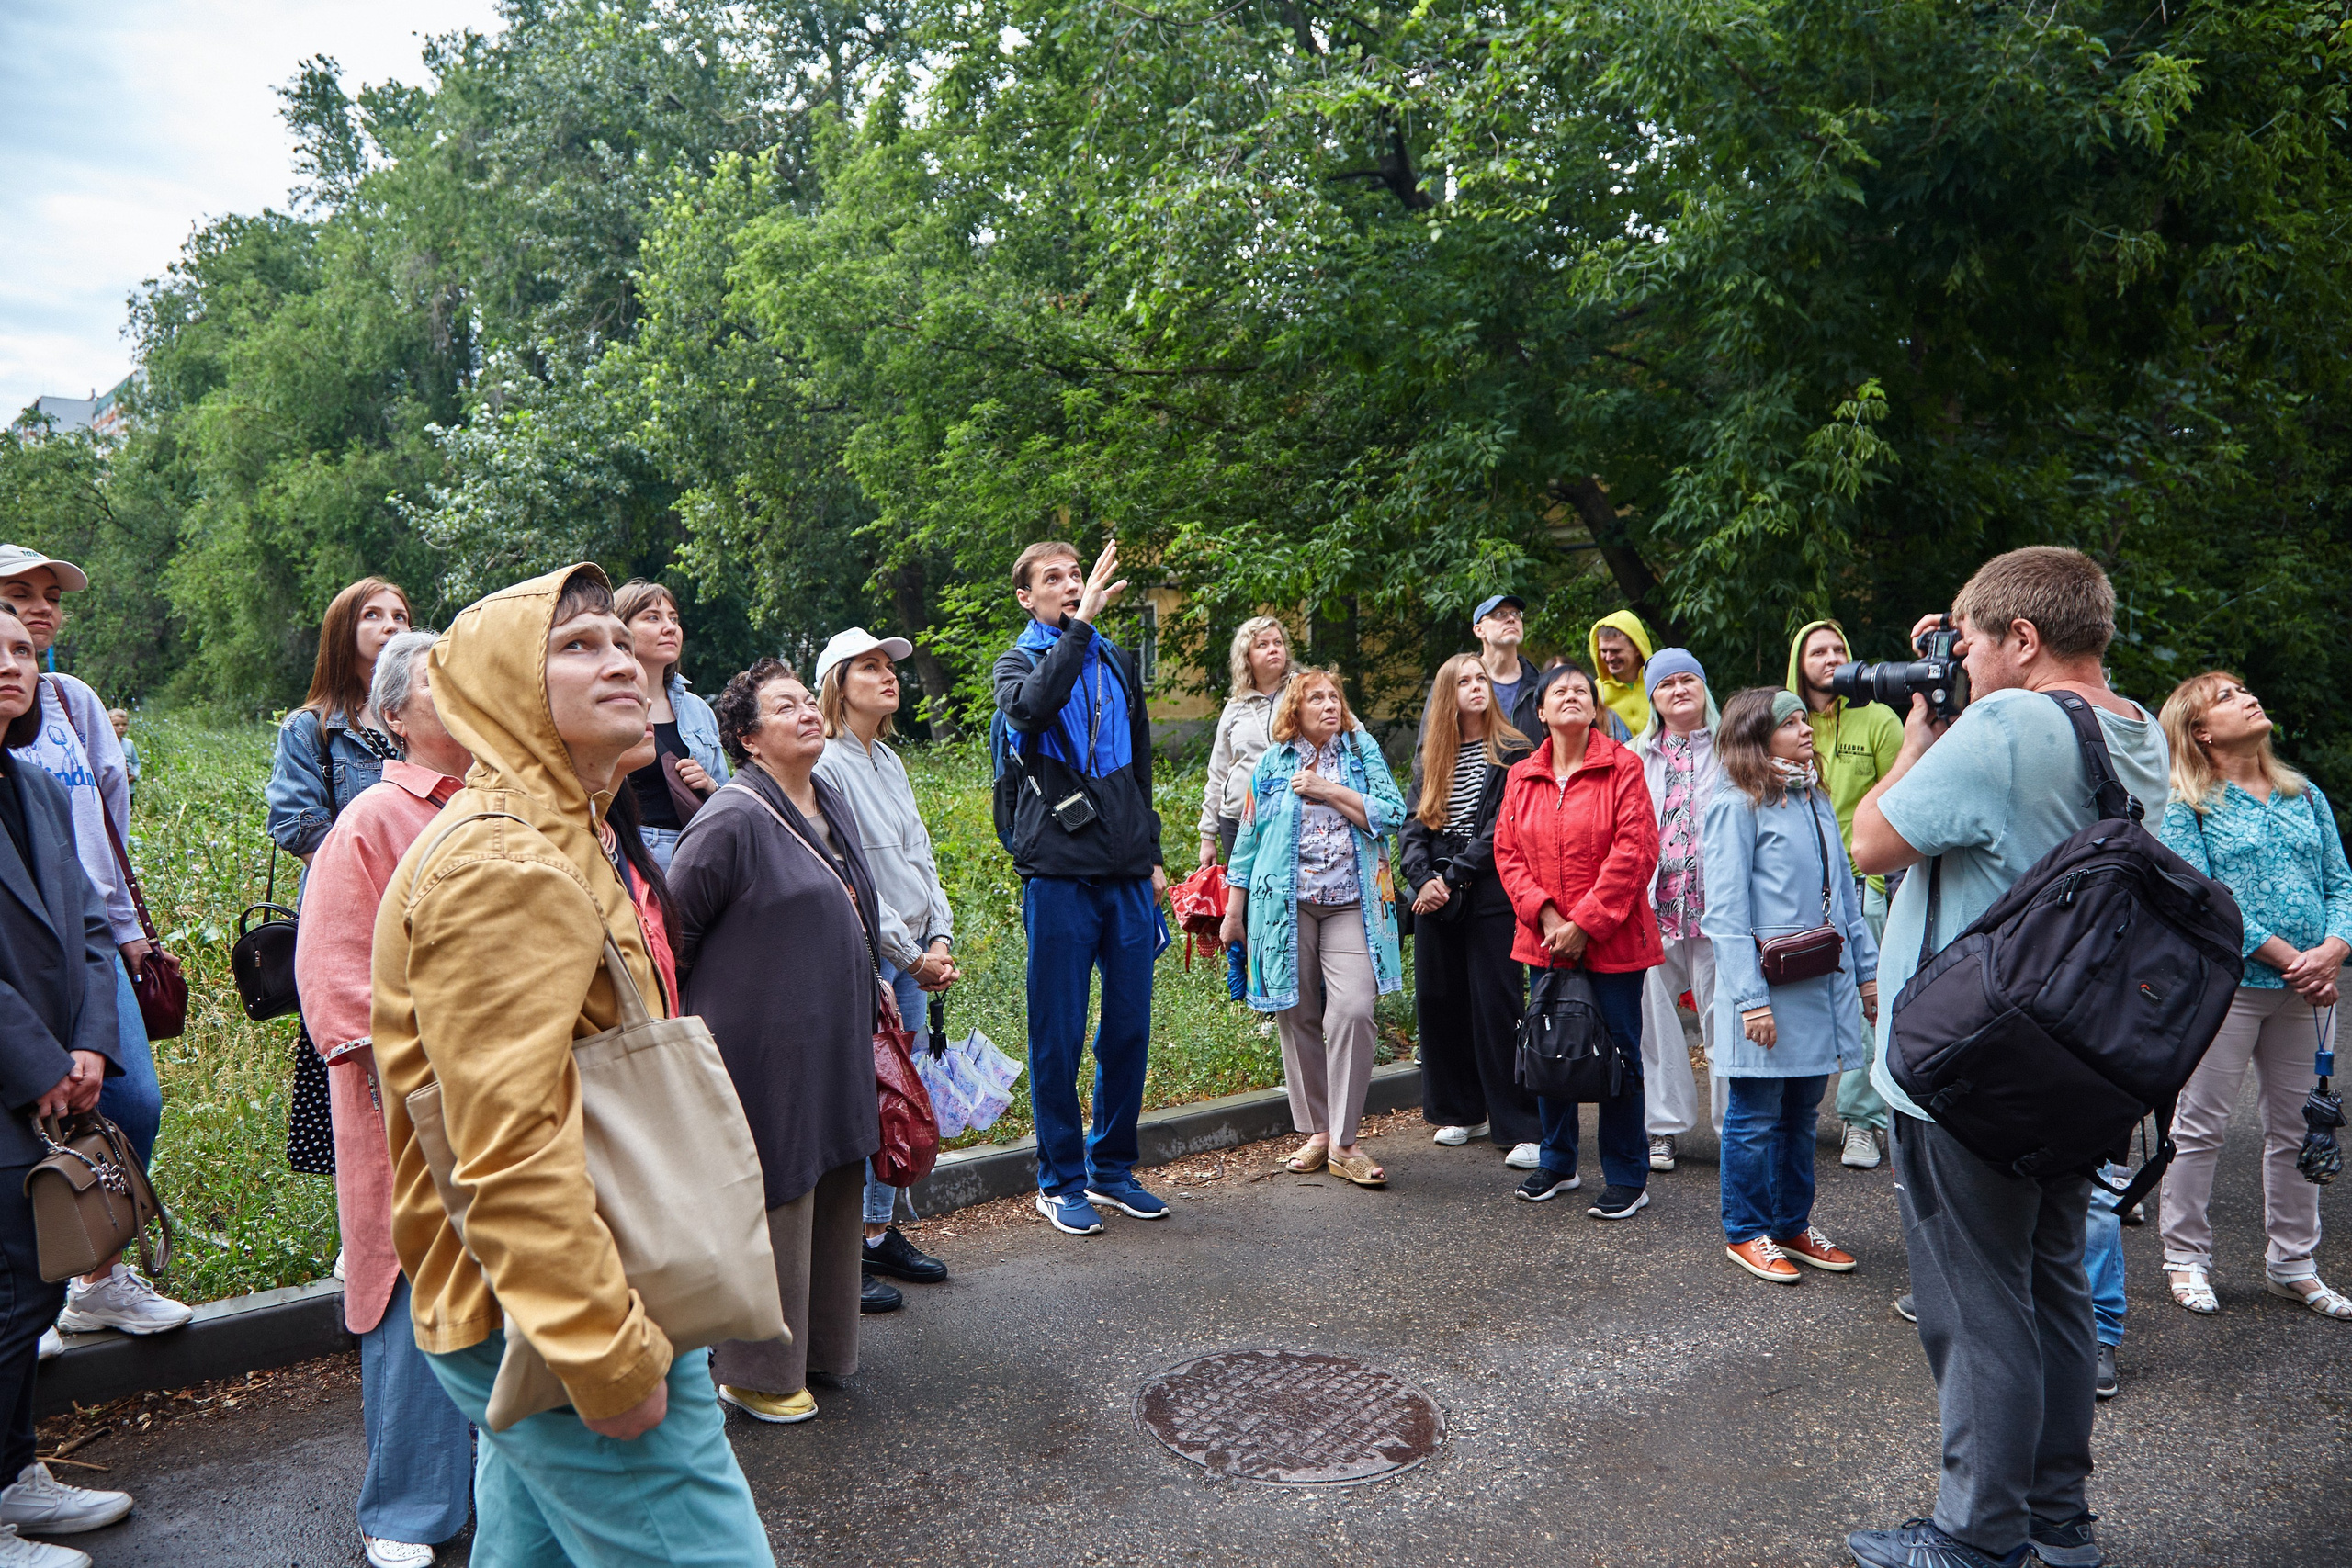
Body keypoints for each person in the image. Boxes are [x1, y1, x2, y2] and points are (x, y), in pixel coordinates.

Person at [372, 565, 773, 1564]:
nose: (624, 663)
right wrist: (601, 1351)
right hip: (570, 1305)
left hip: (566, 1284)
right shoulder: (503, 866)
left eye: (619, 641)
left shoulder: (561, 832)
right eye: (576, 646)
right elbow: (503, 1145)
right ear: (504, 695)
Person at [1845, 547, 2168, 1568]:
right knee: (2053, 1289)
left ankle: (1974, 1536)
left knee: (1975, 1308)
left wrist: (1919, 731)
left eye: (1977, 644)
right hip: (2073, 1062)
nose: (1964, 664)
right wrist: (1957, 654)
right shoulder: (2138, 731)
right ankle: (2056, 1525)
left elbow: (1870, 839)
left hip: (1964, 1069)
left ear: (2023, 640)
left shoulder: (2000, 725)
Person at [289, 630, 473, 1568]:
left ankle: (494, 1488)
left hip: (517, 1112)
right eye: (441, 682)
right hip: (416, 1111)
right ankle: (404, 1509)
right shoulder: (371, 819)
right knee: (413, 1299)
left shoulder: (507, 807)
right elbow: (334, 985)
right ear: (392, 716)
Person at [670, 660, 887, 1425]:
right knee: (780, 1191)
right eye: (785, 706)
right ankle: (755, 1370)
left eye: (807, 700)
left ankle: (819, 1350)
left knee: (834, 1178)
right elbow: (672, 932)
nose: (807, 712)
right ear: (749, 738)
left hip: (832, 1033)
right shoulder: (730, 816)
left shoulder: (828, 797)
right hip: (762, 1047)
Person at [0, 546, 188, 1343]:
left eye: (48, 599)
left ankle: (96, 1273)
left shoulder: (71, 701)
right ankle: (29, 1280)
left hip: (92, 937)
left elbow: (107, 827)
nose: (40, 610)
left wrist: (131, 934)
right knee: (23, 1117)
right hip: (18, 956)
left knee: (128, 1099)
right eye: (20, 595)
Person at [0, 602, 141, 1568]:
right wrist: (40, 1061)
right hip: (13, 1077)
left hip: (55, 1070)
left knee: (36, 1280)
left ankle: (14, 1475)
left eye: (21, 647)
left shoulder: (37, 787)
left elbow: (91, 926)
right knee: (12, 1290)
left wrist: (91, 1043)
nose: (16, 660)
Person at [2154, 671, 2352, 1322]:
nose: (2247, 697)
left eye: (2244, 689)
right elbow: (2204, 899)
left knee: (2300, 1126)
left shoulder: (2304, 794)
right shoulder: (2189, 803)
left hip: (2310, 991)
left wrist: (2334, 949)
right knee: (2201, 1125)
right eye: (2226, 696)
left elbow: (2341, 883)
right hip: (2228, 988)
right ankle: (2185, 1258)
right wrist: (2293, 958)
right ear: (2202, 731)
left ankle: (2292, 1263)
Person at [993, 539, 1170, 1238]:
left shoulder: (1117, 661)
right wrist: (1081, 627)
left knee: (1127, 1028)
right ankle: (1060, 1178)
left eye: (1076, 576)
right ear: (1026, 597)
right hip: (1058, 871)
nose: (1070, 585)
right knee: (1057, 1034)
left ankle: (1112, 1167)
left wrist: (1153, 852)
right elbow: (1032, 711)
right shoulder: (1019, 660)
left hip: (1125, 868)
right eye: (1055, 579)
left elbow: (1142, 761)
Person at [1702, 688, 1879, 1284]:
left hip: (1817, 985)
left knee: (1802, 1113)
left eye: (1806, 718)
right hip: (1766, 990)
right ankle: (1746, 1230)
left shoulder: (1813, 797)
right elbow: (1725, 917)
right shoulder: (1735, 805)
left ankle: (1791, 1223)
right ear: (1756, 736)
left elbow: (1846, 900)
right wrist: (1751, 1001)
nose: (1806, 730)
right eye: (1790, 722)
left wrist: (1868, 973)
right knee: (1754, 1116)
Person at [812, 626, 958, 1306]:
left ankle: (880, 1231)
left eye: (889, 666)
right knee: (865, 1096)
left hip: (916, 952)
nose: (887, 676)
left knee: (902, 1095)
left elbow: (918, 854)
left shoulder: (889, 759)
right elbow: (857, 873)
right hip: (871, 953)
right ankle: (845, 1251)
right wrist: (909, 954)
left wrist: (942, 937)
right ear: (838, 683)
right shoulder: (828, 764)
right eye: (868, 667)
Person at [1220, 667, 1408, 1187]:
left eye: (1334, 697)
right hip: (1284, 906)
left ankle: (1346, 1141)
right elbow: (1248, 840)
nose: (1329, 705)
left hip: (1354, 903)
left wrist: (1327, 790)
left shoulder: (1360, 754)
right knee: (1297, 1011)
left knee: (1351, 1010)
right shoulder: (1272, 765)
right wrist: (1233, 913)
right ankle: (1320, 1133)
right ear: (1294, 712)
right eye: (1316, 698)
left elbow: (1392, 813)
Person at [1492, 661, 1662, 1219]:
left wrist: (1584, 925)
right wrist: (1545, 918)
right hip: (1543, 940)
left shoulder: (1624, 767)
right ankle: (1559, 1160)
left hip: (1612, 942)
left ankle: (1627, 1174)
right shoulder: (1521, 776)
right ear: (1539, 711)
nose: (1571, 694)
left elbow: (1634, 853)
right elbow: (1507, 853)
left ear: (1595, 708)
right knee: (1549, 1046)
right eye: (1557, 690)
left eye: (1581, 690)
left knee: (1618, 1053)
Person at [267, 575, 413, 1189]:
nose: (391, 626)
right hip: (352, 924)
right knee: (356, 1080)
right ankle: (359, 1240)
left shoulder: (423, 718)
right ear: (342, 632)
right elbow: (297, 825)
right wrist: (384, 870)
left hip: (426, 920)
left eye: (402, 616)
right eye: (373, 615)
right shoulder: (313, 728)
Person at [1400, 653, 1536, 1159]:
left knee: (1497, 1005)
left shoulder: (1514, 750)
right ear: (1447, 694)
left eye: (1482, 679)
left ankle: (1521, 1124)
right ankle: (1460, 1110)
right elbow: (1413, 823)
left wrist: (1451, 877)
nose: (1477, 687)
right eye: (1464, 681)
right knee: (1440, 1001)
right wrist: (1423, 879)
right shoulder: (1433, 753)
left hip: (1490, 889)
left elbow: (1508, 827)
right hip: (1436, 890)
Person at [1787, 618, 1905, 1171]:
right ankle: (1795, 1116)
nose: (1831, 657)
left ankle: (1862, 1123)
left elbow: (1900, 795)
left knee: (1869, 1004)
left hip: (1866, 883)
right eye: (1818, 651)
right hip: (1795, 887)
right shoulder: (1785, 721)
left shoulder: (1879, 717)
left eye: (1839, 648)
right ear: (1799, 662)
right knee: (1796, 1001)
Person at [1632, 649, 1726, 1171]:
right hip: (1654, 908)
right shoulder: (1634, 755)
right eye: (1666, 684)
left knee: (1725, 1020)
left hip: (1717, 908)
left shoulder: (1733, 748)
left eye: (1689, 679)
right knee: (1656, 1023)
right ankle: (1662, 1128)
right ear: (1653, 698)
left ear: (1704, 688)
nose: (1679, 689)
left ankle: (1734, 1128)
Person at [612, 581, 729, 871]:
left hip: (697, 854)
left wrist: (708, 784)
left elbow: (728, 796)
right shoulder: (605, 704)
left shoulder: (698, 709)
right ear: (620, 630)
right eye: (653, 617)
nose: (670, 627)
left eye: (674, 619)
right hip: (630, 854)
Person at [1198, 616, 1295, 866]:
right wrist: (1208, 836)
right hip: (1236, 819)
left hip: (1293, 817)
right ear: (1247, 656)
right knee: (1242, 901)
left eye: (1278, 642)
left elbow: (1351, 729)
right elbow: (1218, 772)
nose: (1273, 648)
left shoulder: (1305, 693)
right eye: (1262, 645)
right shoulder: (1235, 707)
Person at [1587, 611, 1654, 741]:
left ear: (1637, 648)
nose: (1609, 657)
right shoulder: (1593, 692)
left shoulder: (1660, 684)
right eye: (1604, 651)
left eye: (1616, 651)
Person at [106, 712, 137, 797]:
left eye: (124, 724)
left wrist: (134, 775)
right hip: (112, 788)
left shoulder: (129, 743)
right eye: (116, 724)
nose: (121, 728)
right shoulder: (105, 744)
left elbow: (136, 762)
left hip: (129, 788)